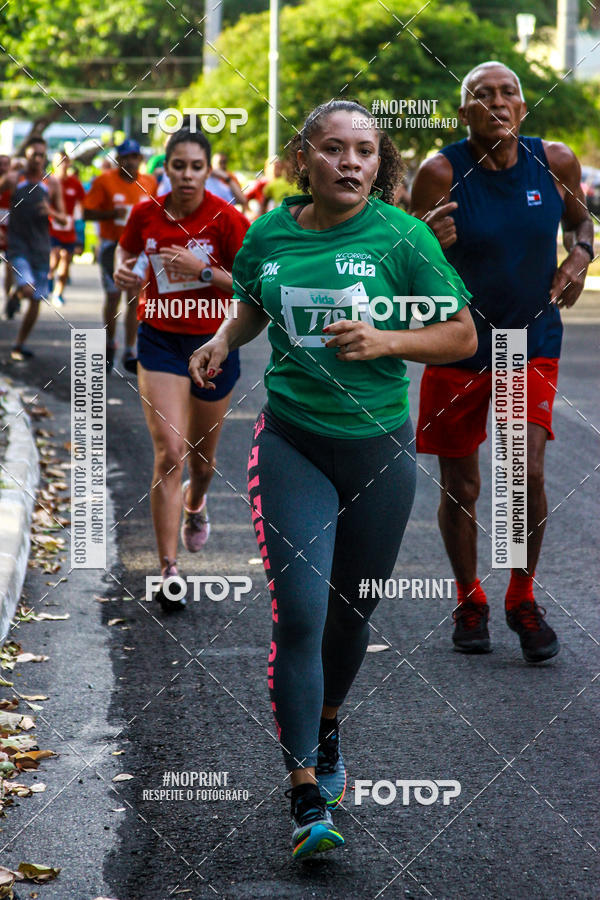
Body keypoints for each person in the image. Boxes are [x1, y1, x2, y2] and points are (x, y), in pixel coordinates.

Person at [188, 99, 477, 859]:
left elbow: (462, 335)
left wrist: (387, 338)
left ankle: (326, 724)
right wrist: (223, 338)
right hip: (293, 443)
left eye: (366, 151)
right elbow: (252, 302)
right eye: (334, 149)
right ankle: (305, 792)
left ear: (380, 164)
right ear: (302, 159)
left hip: (379, 448)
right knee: (303, 614)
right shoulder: (271, 233)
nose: (352, 162)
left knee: (352, 618)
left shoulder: (402, 236)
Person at [410, 61, 594, 663]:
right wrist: (426, 248)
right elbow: (405, 265)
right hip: (457, 345)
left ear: (522, 105)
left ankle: (521, 596)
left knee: (526, 473)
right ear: (463, 113)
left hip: (529, 342)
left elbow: (580, 225)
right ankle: (469, 597)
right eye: (481, 95)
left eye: (507, 92)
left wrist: (580, 258)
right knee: (461, 484)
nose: (497, 102)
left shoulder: (556, 161)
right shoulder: (440, 173)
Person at [113, 127, 249, 611]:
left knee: (202, 463)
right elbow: (125, 250)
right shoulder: (146, 212)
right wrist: (121, 270)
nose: (187, 175)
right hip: (161, 341)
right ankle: (168, 569)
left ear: (208, 170)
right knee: (169, 451)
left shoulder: (228, 218)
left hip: (213, 345)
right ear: (165, 169)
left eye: (196, 166)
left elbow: (254, 288)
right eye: (178, 166)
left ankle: (196, 503)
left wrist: (202, 271)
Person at [84, 139, 157, 372]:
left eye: (135, 157)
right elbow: (85, 213)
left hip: (139, 249)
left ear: (140, 160)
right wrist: (110, 214)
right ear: (118, 159)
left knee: (134, 297)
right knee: (113, 296)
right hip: (111, 246)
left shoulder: (150, 182)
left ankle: (130, 349)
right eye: (126, 157)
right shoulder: (104, 181)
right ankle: (109, 343)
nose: (131, 161)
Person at [2, 136, 67, 360]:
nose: (38, 159)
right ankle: (16, 293)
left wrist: (51, 212)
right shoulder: (14, 179)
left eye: (41, 155)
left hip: (41, 249)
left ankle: (19, 344)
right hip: (18, 245)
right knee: (28, 289)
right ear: (26, 156)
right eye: (34, 155)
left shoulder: (52, 183)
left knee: (37, 299)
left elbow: (63, 217)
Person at [49, 152, 86, 306]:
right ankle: (49, 276)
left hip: (69, 229)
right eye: (59, 162)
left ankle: (58, 293)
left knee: (66, 259)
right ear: (53, 163)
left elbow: (82, 203)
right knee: (55, 256)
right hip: (51, 227)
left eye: (65, 161)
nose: (63, 165)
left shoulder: (75, 183)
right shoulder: (48, 182)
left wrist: (80, 221)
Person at [0, 154, 13, 303]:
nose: (2, 167)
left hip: (11, 234)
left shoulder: (15, 186)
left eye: (5, 164)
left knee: (11, 268)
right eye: (0, 164)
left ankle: (9, 298)